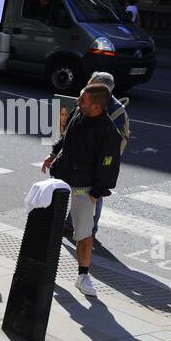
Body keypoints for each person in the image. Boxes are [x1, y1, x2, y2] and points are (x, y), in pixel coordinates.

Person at [41, 84, 122, 297]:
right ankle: (45, 268)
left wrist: (97, 191)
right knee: (51, 227)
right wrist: (53, 155)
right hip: (61, 180)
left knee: (84, 234)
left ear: (96, 106)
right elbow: (66, 137)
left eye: (82, 100)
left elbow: (108, 164)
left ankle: (83, 276)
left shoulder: (108, 132)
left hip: (83, 189)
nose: (77, 103)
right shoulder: (79, 112)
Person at [51, 70, 130, 245]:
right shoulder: (84, 107)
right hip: (77, 165)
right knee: (77, 193)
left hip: (94, 165)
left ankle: (88, 230)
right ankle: (72, 225)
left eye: (90, 84)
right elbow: (69, 133)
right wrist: (55, 153)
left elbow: (108, 153)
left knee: (92, 195)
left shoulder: (110, 113)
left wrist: (99, 187)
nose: (86, 87)